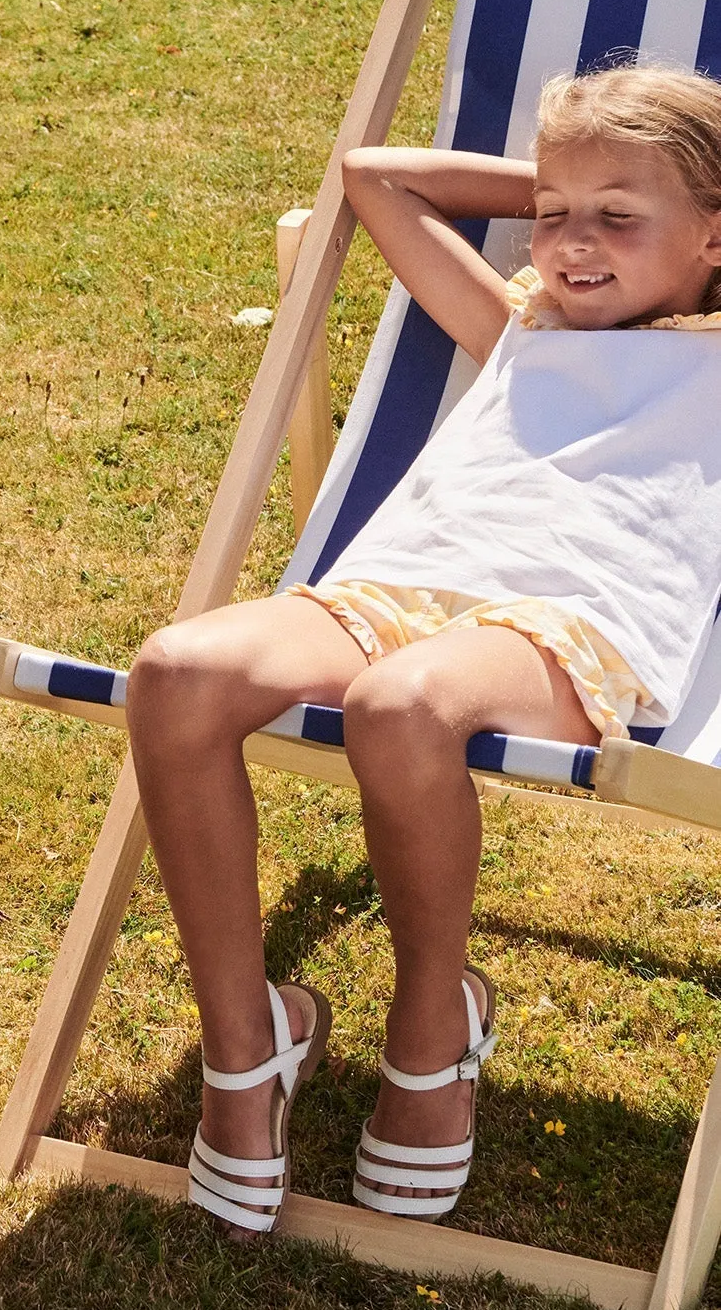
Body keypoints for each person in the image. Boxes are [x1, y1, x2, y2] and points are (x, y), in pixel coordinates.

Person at [127, 65, 721, 1237]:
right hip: (395, 588)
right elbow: (374, 175)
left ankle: (429, 1032)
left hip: (565, 625)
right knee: (175, 669)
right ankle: (246, 1049)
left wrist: (669, 180)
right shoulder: (518, 324)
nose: (571, 240)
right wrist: (577, 181)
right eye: (553, 212)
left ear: (712, 235)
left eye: (619, 214)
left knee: (397, 706)